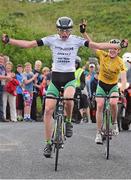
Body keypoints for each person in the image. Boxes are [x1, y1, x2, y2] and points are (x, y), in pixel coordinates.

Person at [1, 16, 128, 157]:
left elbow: (97, 46)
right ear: (58, 30)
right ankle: (48, 143)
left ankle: (68, 121)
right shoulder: (51, 39)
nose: (65, 34)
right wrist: (9, 40)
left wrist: (118, 46)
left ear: (71, 30)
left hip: (69, 78)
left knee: (68, 98)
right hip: (55, 79)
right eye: (62, 31)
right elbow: (28, 44)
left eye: (67, 31)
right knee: (48, 110)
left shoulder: (76, 40)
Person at [80, 20, 128, 144]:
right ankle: (98, 133)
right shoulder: (103, 55)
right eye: (110, 48)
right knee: (100, 105)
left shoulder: (120, 61)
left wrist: (122, 87)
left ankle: (115, 123)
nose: (112, 50)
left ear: (118, 51)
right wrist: (84, 32)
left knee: (113, 103)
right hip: (101, 85)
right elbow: (92, 44)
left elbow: (123, 78)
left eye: (115, 49)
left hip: (112, 86)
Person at [0, 54, 11, 122]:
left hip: (1, 86)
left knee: (1, 102)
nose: (1, 60)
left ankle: (1, 117)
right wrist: (7, 77)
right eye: (0, 59)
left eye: (2, 59)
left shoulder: (3, 67)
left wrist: (8, 78)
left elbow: (5, 76)